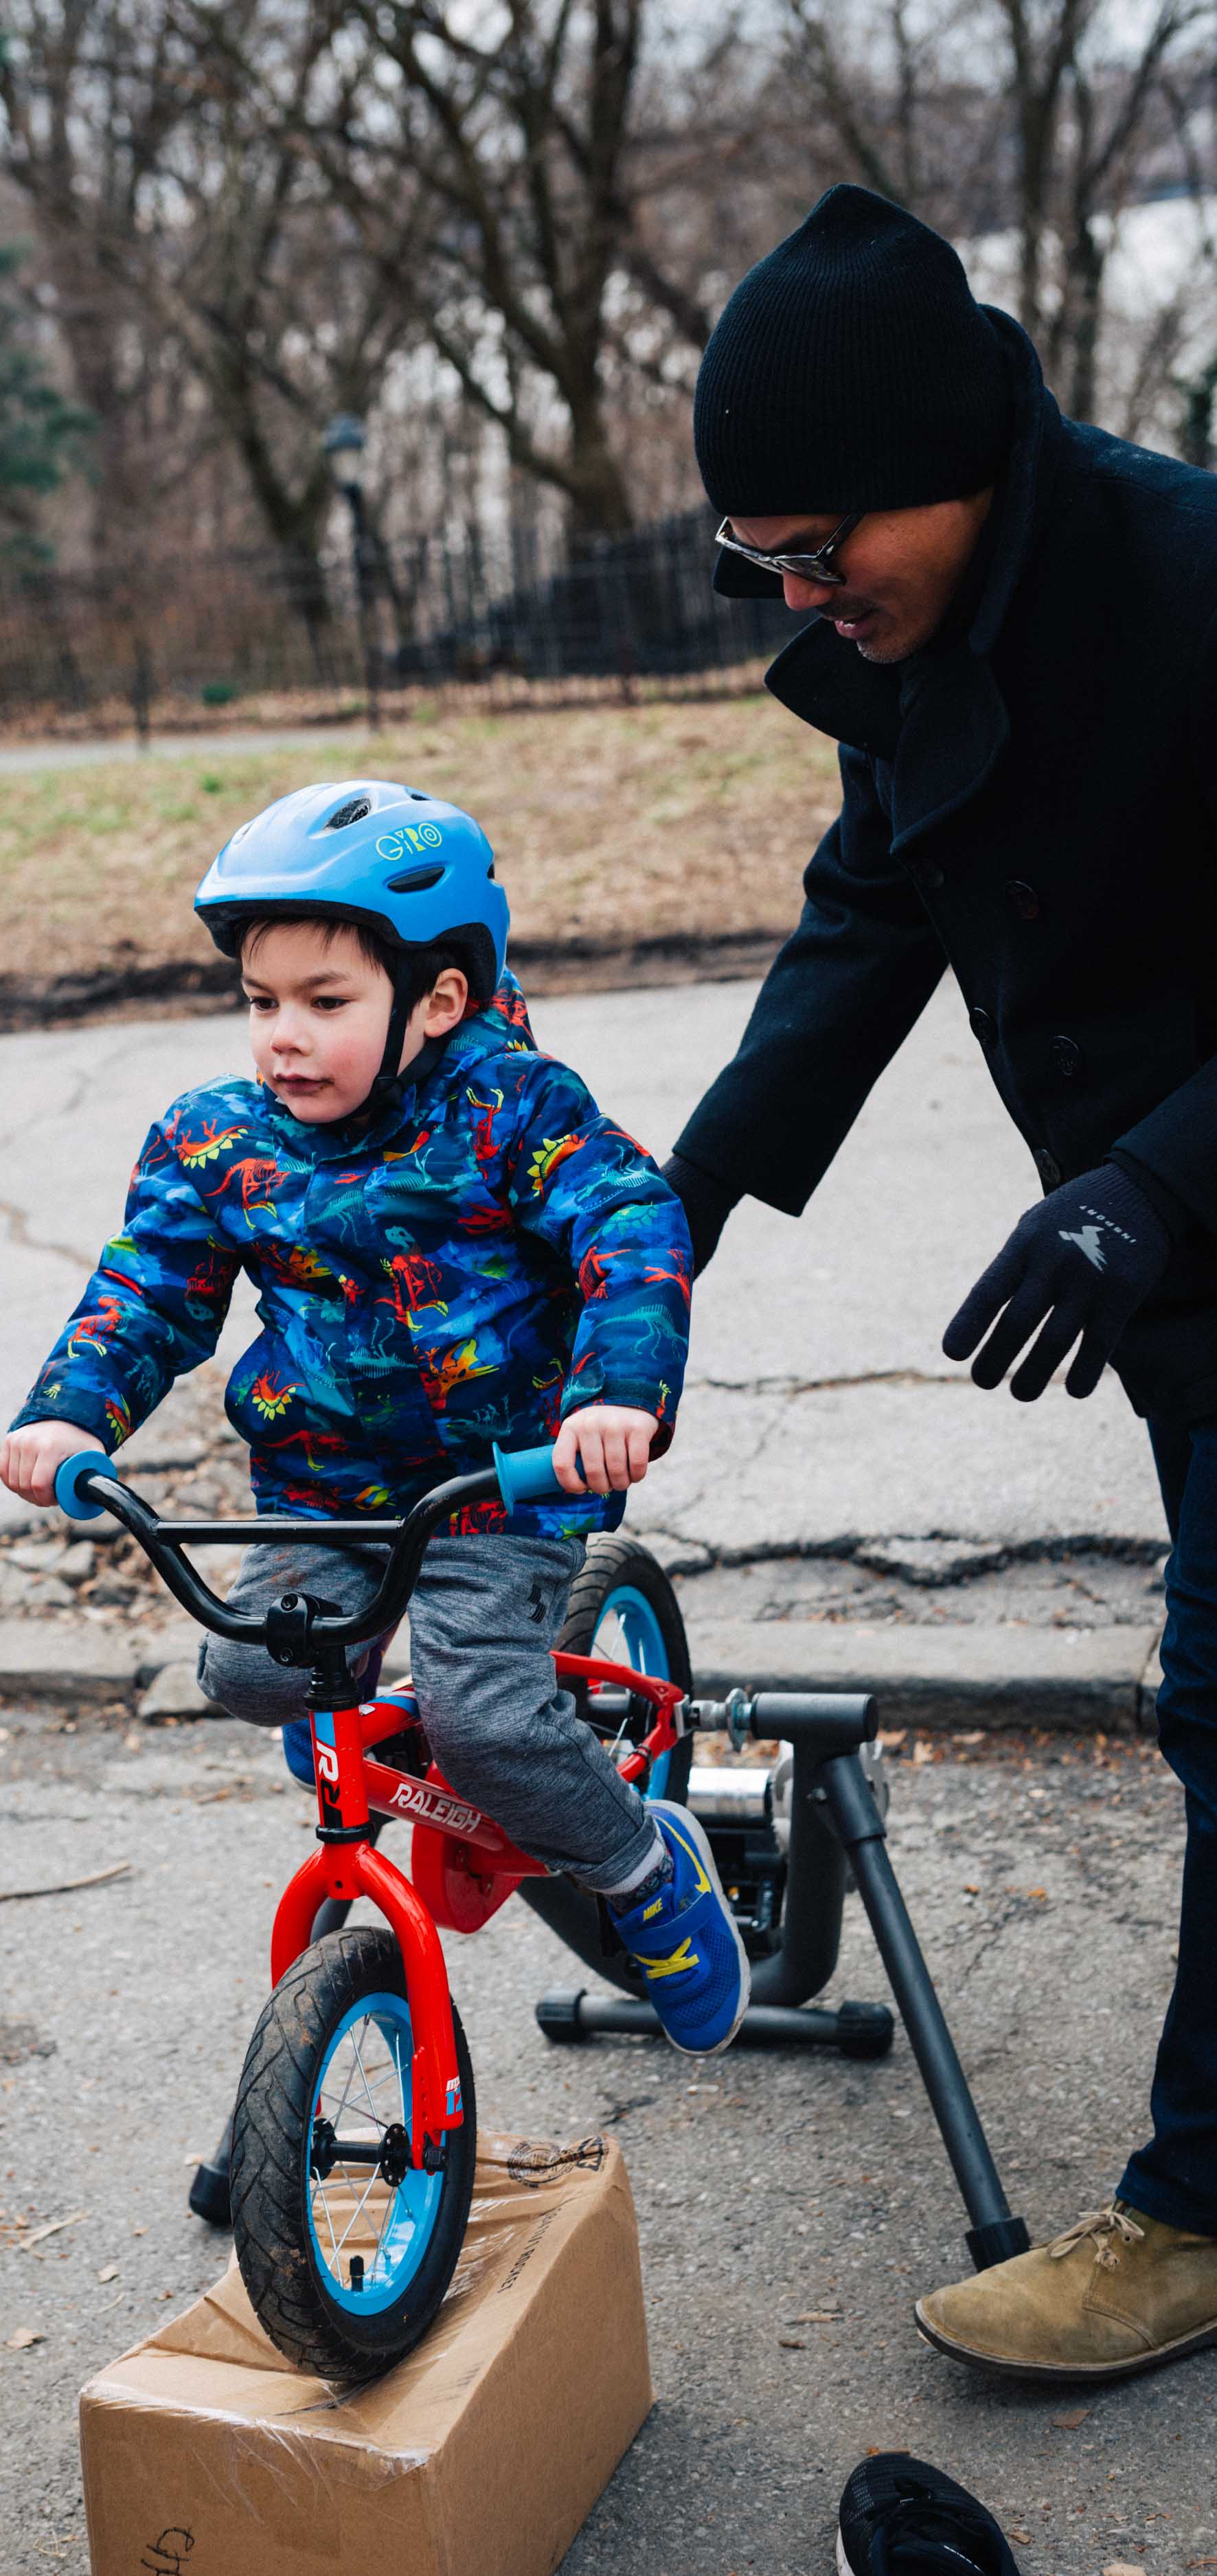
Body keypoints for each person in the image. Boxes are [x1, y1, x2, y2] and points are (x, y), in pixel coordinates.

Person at [663, 181, 1217, 2375]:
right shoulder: (920, 643)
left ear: (949, 468)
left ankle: (1192, 2204)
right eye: (761, 565)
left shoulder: (1187, 579)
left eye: (822, 550)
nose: (799, 595)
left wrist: (1149, 1185)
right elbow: (863, 917)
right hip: (1166, 1252)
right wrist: (669, 1208)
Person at [0, 778, 749, 2056]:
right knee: (246, 1668)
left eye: (325, 1003)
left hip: (499, 1481)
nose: (282, 1036)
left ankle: (645, 1872)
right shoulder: (217, 1139)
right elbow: (147, 1289)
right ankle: (395, 1744)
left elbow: (631, 1226)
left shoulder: (515, 1109)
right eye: (260, 1001)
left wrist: (616, 1394)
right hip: (330, 1483)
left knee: (490, 1720)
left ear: (438, 1000)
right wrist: (71, 1416)